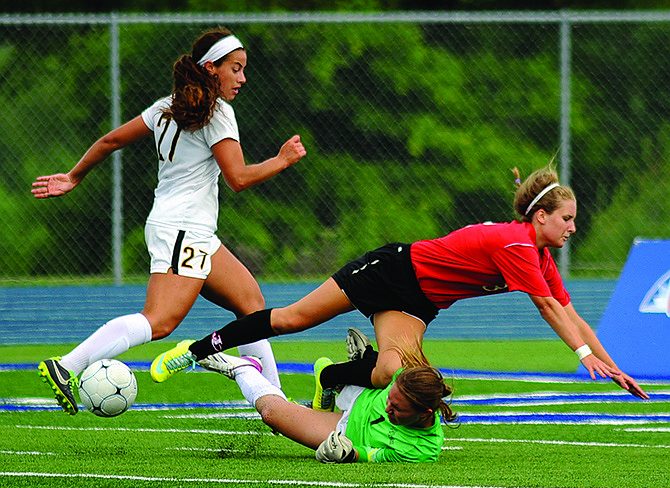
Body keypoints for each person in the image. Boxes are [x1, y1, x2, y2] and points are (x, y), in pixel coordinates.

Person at [152, 165, 649, 400]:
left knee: (391, 373)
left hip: (417, 304)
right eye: (567, 218)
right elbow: (550, 311)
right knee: (289, 319)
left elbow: (574, 315)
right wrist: (587, 361)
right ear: (540, 217)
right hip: (392, 271)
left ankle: (330, 378)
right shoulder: (518, 244)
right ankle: (197, 349)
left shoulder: (538, 256)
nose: (573, 227)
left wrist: (611, 365)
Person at [31, 28, 306, 415]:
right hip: (183, 231)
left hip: (186, 229)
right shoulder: (217, 112)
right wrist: (281, 160)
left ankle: (274, 400)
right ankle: (67, 366)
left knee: (251, 304)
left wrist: (74, 176)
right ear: (212, 68)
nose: (242, 78)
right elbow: (238, 179)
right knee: (159, 322)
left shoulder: (167, 106)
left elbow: (110, 141)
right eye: (236, 69)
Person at [198, 329, 456, 463]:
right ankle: (350, 370)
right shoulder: (401, 380)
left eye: (397, 409)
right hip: (360, 395)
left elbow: (371, 455)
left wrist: (347, 453)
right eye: (390, 400)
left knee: (272, 414)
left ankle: (243, 368)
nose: (388, 410)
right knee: (381, 370)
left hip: (343, 431)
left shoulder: (423, 450)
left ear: (425, 414)